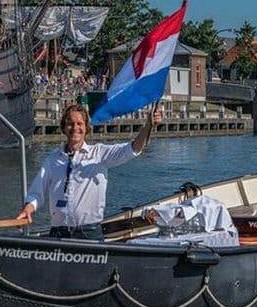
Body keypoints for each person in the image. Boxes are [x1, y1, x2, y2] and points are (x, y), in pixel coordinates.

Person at [15, 103, 162, 240]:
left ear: (86, 127)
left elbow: (133, 148)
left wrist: (149, 125)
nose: (75, 128)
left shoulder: (99, 154)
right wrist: (28, 209)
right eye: (70, 123)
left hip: (89, 233)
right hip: (58, 234)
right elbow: (37, 192)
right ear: (64, 127)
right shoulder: (52, 160)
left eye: (79, 123)